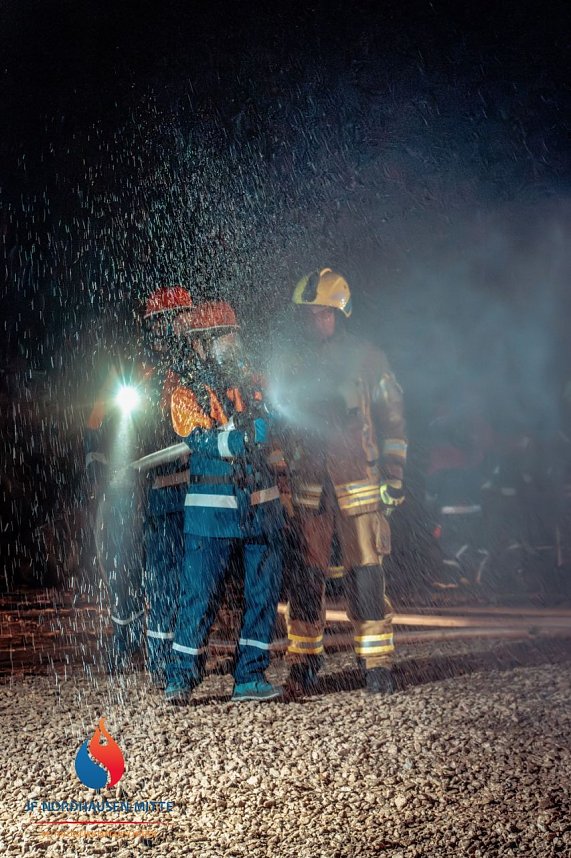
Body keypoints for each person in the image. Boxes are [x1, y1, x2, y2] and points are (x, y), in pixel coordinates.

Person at [271, 268, 407, 695]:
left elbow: (393, 418)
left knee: (366, 573)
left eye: (323, 314)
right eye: (309, 315)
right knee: (306, 577)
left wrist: (394, 474)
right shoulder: (293, 364)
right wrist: (282, 477)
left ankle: (377, 664)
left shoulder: (369, 358)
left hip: (359, 482)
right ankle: (305, 663)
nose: (315, 322)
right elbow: (280, 425)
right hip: (311, 485)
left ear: (340, 314)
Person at [164, 299, 284, 703]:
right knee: (199, 596)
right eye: (222, 338)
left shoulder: (251, 384)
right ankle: (181, 678)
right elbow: (195, 437)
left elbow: (274, 420)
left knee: (263, 593)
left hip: (259, 509)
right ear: (202, 344)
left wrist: (267, 424)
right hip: (211, 514)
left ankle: (250, 676)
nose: (231, 345)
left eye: (233, 336)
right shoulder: (184, 391)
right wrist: (233, 439)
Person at [85, 285, 193, 677]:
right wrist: (97, 468)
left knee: (167, 572)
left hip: (176, 486)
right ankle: (125, 636)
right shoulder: (134, 373)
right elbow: (96, 426)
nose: (167, 330)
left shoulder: (191, 373)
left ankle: (162, 653)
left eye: (173, 321)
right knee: (120, 562)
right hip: (129, 488)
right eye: (159, 323)